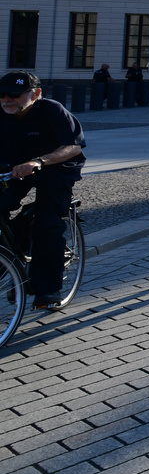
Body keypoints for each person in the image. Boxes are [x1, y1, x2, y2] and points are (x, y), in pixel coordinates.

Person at [0, 72, 87, 309]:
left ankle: (47, 289)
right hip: (13, 169)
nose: (8, 99)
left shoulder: (52, 111)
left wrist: (39, 162)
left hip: (54, 167)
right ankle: (12, 265)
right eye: (2, 94)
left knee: (47, 223)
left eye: (15, 95)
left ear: (36, 94)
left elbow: (72, 146)